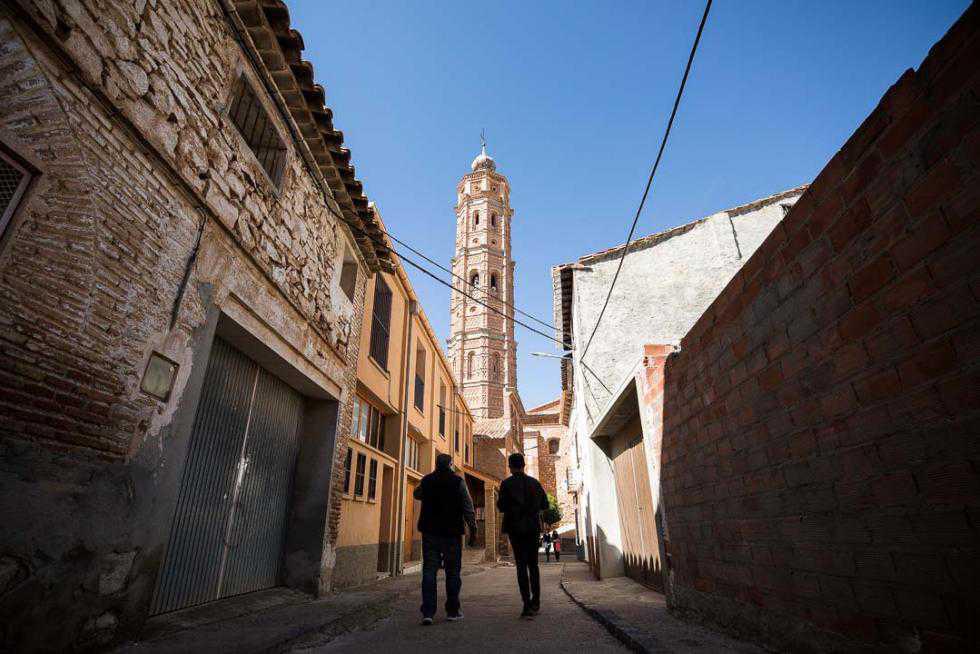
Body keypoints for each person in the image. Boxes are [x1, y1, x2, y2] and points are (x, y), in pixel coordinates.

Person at [413, 453, 478, 626]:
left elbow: (416, 494)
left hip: (430, 532)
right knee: (452, 572)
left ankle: (428, 612)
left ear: (436, 465)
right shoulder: (458, 482)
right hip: (452, 533)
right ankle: (452, 611)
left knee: (429, 570)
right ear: (450, 465)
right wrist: (473, 528)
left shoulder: (427, 481)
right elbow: (468, 506)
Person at [496, 452, 549, 619]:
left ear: (510, 467)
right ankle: (536, 601)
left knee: (521, 565)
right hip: (532, 528)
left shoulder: (506, 484)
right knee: (533, 565)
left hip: (515, 528)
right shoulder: (535, 483)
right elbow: (545, 504)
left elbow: (501, 507)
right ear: (524, 465)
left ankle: (526, 605)